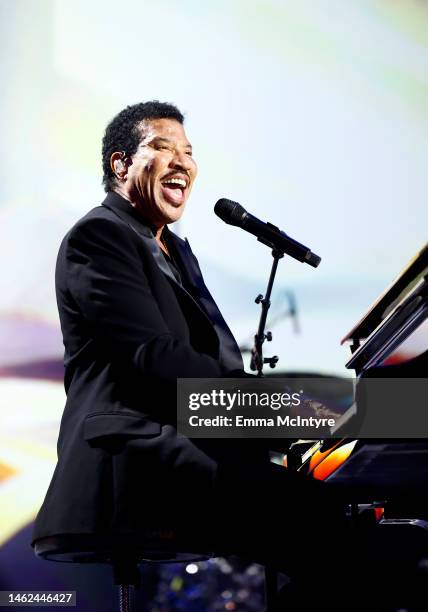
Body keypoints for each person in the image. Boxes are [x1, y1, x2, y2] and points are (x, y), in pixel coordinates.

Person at [31, 101, 381, 610]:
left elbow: (219, 370)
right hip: (132, 456)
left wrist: (307, 422)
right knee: (327, 528)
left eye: (189, 152)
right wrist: (297, 418)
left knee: (342, 529)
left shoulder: (172, 249)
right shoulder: (100, 235)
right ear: (120, 164)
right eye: (162, 147)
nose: (182, 162)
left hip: (182, 448)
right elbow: (157, 359)